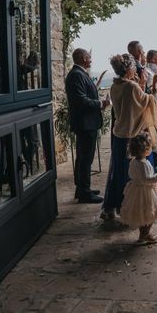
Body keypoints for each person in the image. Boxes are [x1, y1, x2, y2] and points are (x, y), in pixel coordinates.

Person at [102, 54, 157, 219]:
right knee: (133, 173)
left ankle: (114, 205)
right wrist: (151, 90)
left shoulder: (115, 86)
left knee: (118, 171)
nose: (136, 69)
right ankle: (132, 207)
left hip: (119, 133)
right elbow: (146, 101)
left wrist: (139, 84)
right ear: (129, 69)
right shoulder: (131, 87)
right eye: (134, 67)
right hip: (132, 134)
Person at [65, 48, 109, 203]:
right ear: (84, 58)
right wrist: (100, 103)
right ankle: (84, 192)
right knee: (84, 158)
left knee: (85, 158)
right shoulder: (76, 75)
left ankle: (83, 188)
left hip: (87, 123)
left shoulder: (80, 73)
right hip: (85, 124)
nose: (91, 60)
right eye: (89, 57)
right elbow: (80, 100)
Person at [119, 133, 157, 244]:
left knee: (141, 214)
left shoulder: (133, 162)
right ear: (146, 150)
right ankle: (145, 234)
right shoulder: (144, 164)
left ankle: (143, 234)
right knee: (150, 214)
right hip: (146, 192)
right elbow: (147, 179)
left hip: (135, 190)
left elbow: (133, 175)